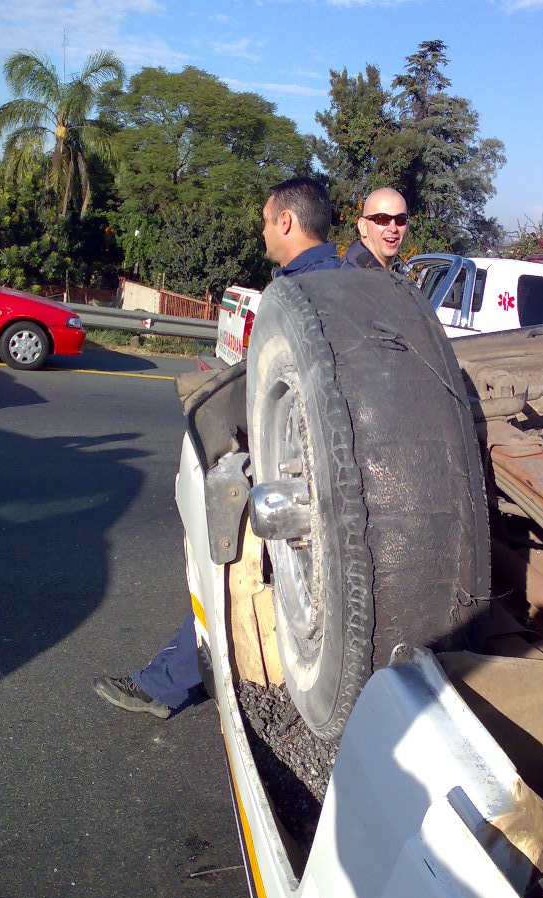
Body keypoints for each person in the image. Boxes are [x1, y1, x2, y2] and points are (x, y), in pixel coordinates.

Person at [93, 177, 341, 719]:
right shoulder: (345, 281)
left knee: (225, 572)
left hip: (295, 472)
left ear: (286, 222)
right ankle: (177, 679)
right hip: (317, 467)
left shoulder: (300, 294)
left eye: (264, 220)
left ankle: (170, 685)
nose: (261, 232)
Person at [344, 187, 409, 271]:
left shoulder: (399, 277)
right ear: (363, 226)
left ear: (407, 227)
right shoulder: (348, 277)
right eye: (382, 219)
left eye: (400, 220)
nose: (393, 228)